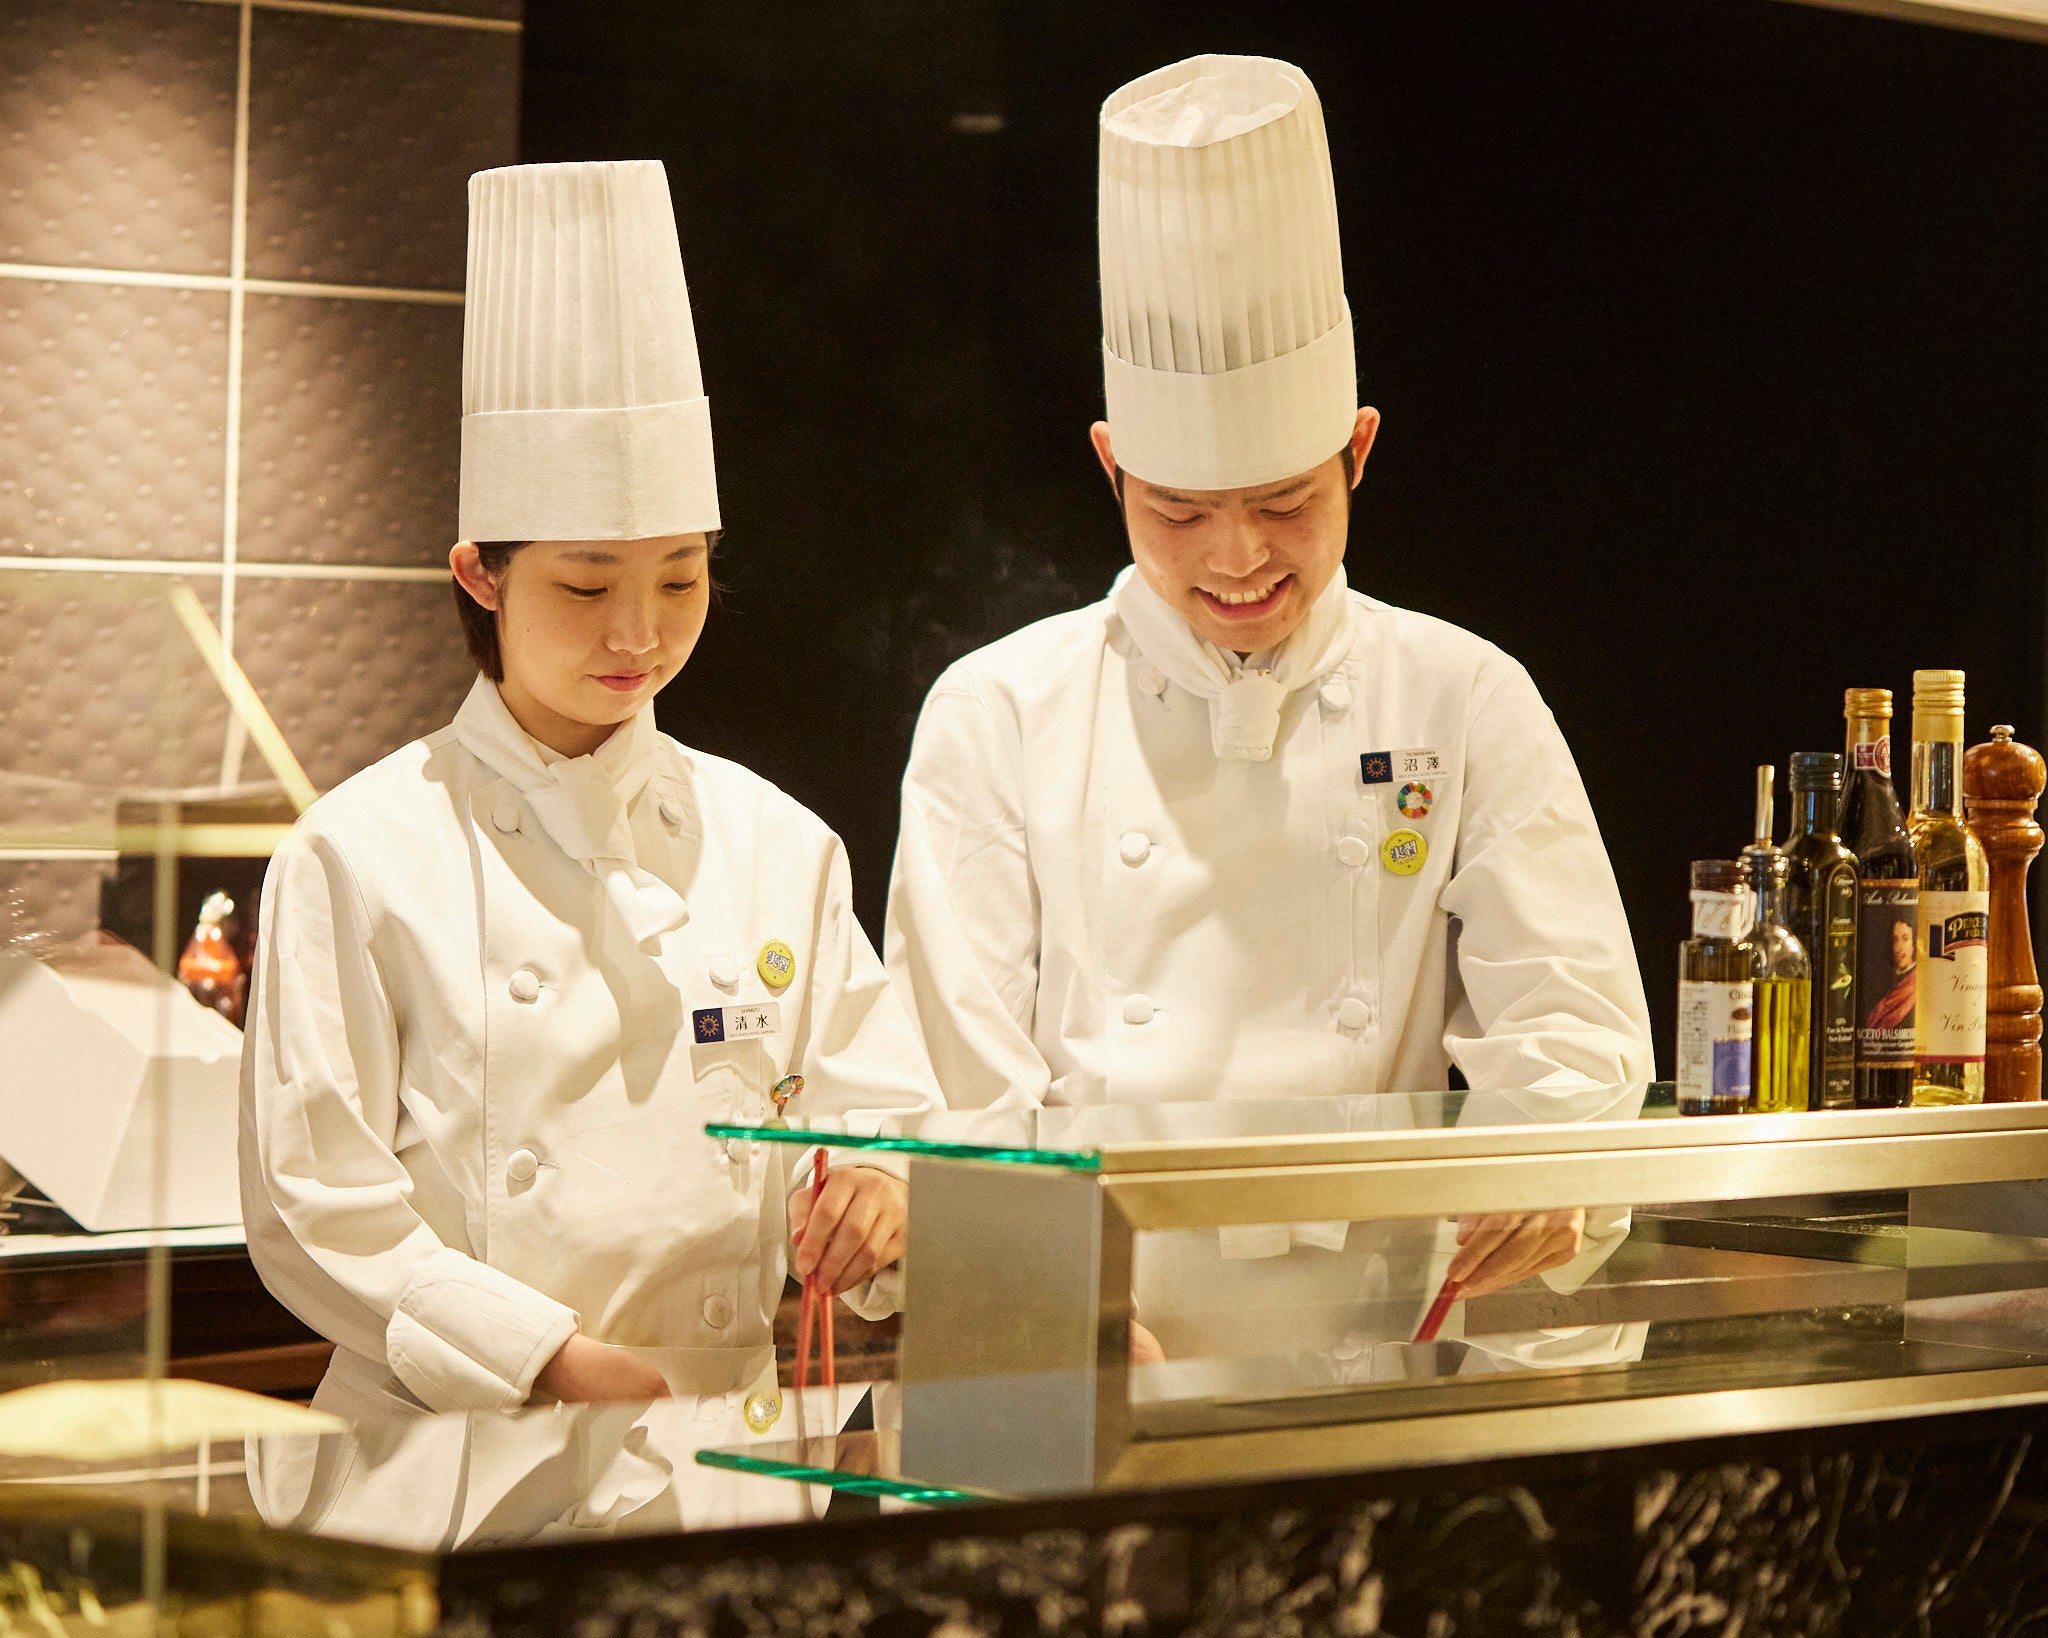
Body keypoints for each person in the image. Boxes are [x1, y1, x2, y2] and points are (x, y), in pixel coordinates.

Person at [885, 56, 1653, 1344]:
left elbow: (1571, 1018)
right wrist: (1049, 1306)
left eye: (1286, 503)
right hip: (1082, 1322)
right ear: (1111, 468)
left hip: (1376, 1330)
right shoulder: (999, 708)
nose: (1237, 558)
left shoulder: (1462, 695)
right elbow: (956, 1084)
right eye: (1178, 513)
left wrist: (1545, 1165)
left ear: (1358, 450)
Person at [241, 160, 936, 1484]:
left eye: (680, 579)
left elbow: (881, 1111)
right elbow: (312, 1205)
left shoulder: (780, 844)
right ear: (480, 575)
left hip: (725, 1463)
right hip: (451, 1461)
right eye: (584, 585)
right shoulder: (359, 850)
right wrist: (543, 1359)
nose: (639, 633)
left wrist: (884, 1194)